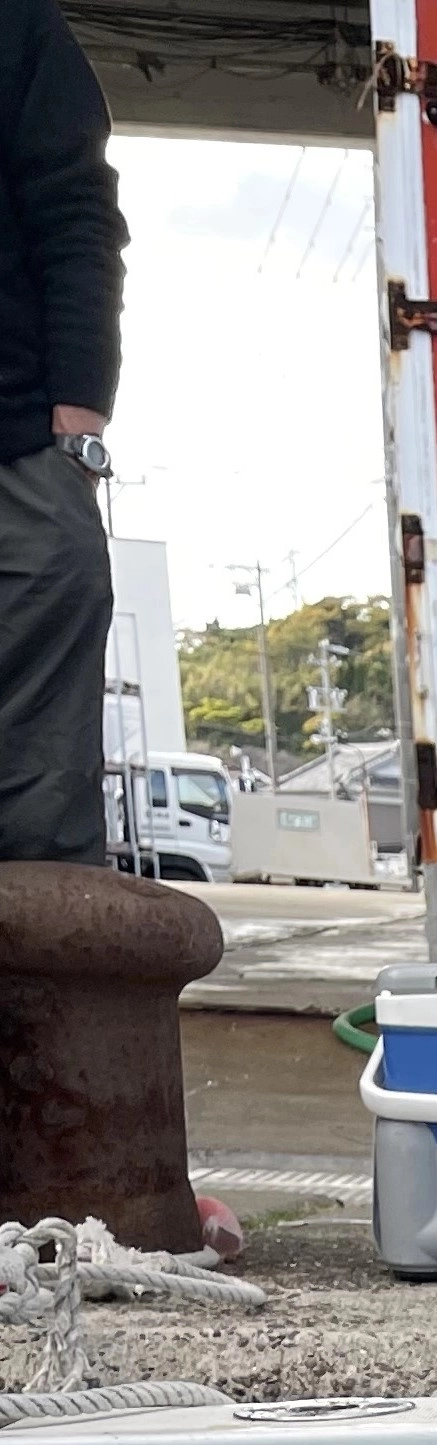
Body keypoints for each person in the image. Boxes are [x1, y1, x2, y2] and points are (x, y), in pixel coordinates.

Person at [0, 0, 122, 865]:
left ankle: (40, 986)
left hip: (13, 437)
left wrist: (79, 416)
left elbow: (78, 215)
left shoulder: (17, 29)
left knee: (64, 575)